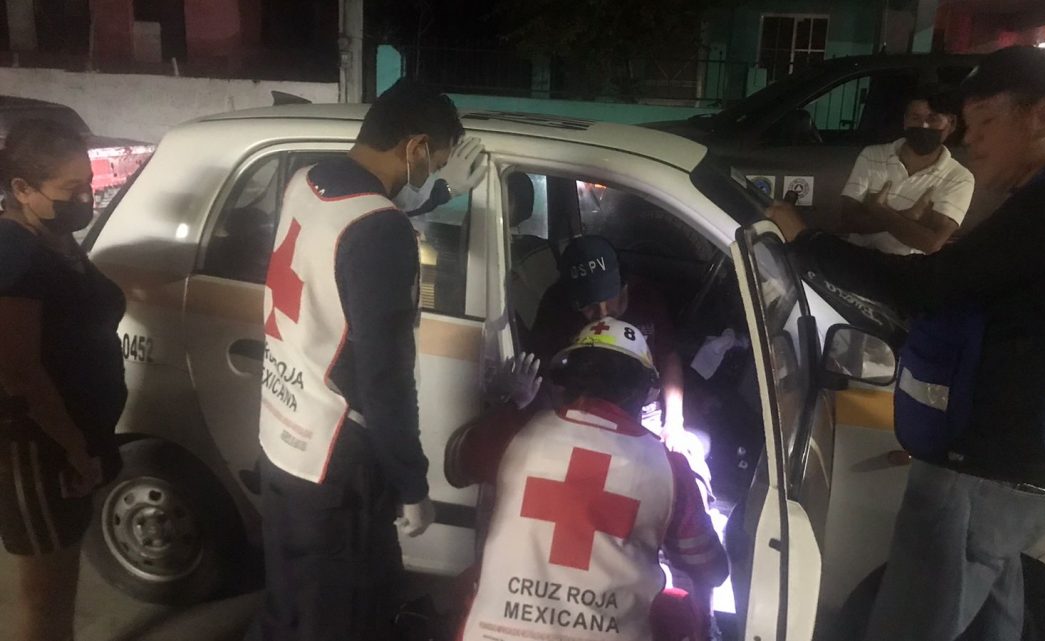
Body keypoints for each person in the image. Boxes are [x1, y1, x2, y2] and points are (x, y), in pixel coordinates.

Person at [766, 46, 1045, 641]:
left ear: (1042, 116)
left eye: (986, 122)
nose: (971, 141)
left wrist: (805, 240)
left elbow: (930, 284)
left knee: (913, 626)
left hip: (983, 472)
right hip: (1015, 465)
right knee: (993, 617)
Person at [249, 79, 484, 641]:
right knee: (334, 619)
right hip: (336, 459)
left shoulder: (308, 181)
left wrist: (433, 200)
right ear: (416, 146)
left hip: (283, 436)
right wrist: (412, 484)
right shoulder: (382, 231)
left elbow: (349, 243)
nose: (433, 171)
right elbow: (386, 378)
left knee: (289, 600)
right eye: (436, 160)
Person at [446, 319, 728, 641]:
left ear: (565, 381)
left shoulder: (514, 434)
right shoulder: (669, 468)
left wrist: (509, 404)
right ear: (645, 392)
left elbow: (456, 465)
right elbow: (712, 571)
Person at [0, 119, 126, 641]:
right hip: (38, 445)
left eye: (89, 184)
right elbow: (19, 368)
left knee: (63, 585)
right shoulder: (14, 255)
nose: (86, 198)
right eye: (70, 190)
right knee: (47, 599)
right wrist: (74, 448)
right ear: (23, 190)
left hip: (73, 437)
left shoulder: (53, 241)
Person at [529, 235, 688, 447]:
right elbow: (546, 372)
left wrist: (674, 423)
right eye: (588, 305)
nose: (602, 313)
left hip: (644, 406)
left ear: (624, 286)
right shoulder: (556, 306)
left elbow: (669, 358)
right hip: (581, 410)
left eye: (609, 299)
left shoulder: (646, 299)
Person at [838, 86, 975, 255]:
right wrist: (909, 216)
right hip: (859, 259)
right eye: (915, 118)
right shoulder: (872, 155)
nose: (923, 126)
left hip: (909, 270)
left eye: (933, 119)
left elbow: (930, 243)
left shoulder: (959, 178)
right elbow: (847, 221)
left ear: (951, 123)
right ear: (905, 121)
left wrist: (878, 209)